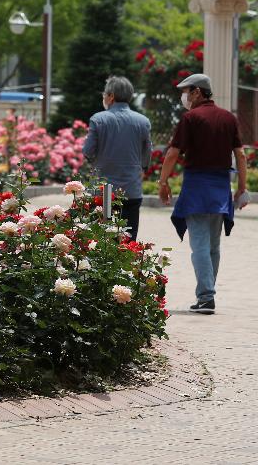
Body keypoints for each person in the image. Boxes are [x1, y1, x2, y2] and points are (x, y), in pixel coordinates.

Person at [158, 73, 249, 315]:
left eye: (186, 91)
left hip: (196, 187)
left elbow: (172, 154)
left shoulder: (191, 118)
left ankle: (206, 297)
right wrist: (242, 186)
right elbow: (240, 155)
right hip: (221, 189)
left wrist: (163, 182)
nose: (184, 97)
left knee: (199, 245)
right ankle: (207, 295)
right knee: (213, 247)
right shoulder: (229, 118)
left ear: (197, 92)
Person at [83, 76, 151, 240]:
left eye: (105, 94)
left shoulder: (98, 119)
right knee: (128, 239)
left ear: (111, 96)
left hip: (104, 192)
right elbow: (147, 154)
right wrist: (142, 168)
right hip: (131, 190)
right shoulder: (142, 121)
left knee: (102, 240)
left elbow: (87, 151)